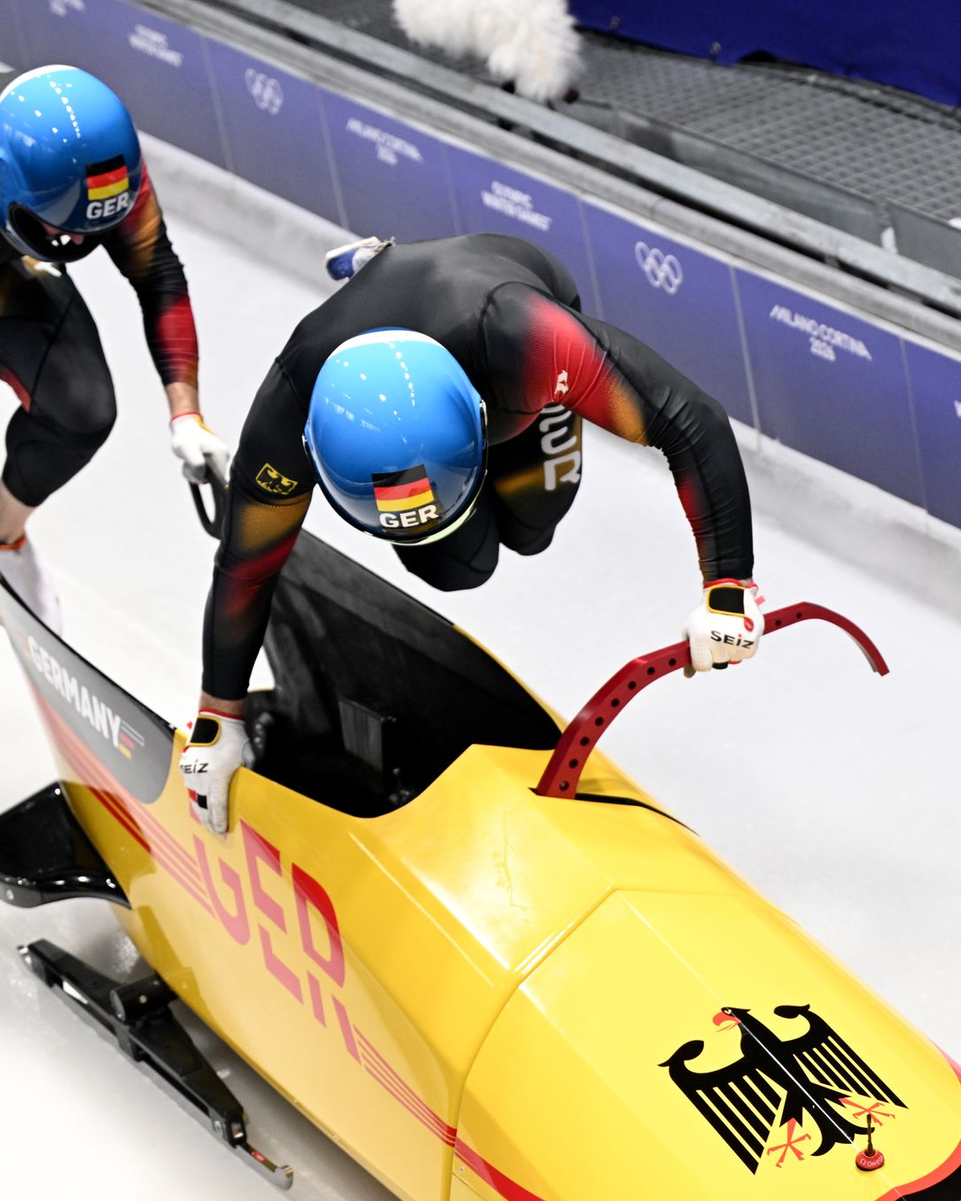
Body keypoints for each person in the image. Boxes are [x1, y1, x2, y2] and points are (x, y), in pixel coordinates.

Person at [179, 232, 764, 833]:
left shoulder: (529, 342)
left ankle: (385, 263)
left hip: (511, 349)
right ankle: (380, 267)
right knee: (457, 567)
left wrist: (728, 586)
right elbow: (247, 564)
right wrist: (217, 719)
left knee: (536, 524)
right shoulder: (287, 413)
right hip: (451, 396)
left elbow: (690, 418)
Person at [0, 65, 228, 630]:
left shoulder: (104, 173)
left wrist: (187, 416)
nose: (78, 243)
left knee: (81, 410)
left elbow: (160, 279)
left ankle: (2, 540)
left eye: (90, 227)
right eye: (61, 227)